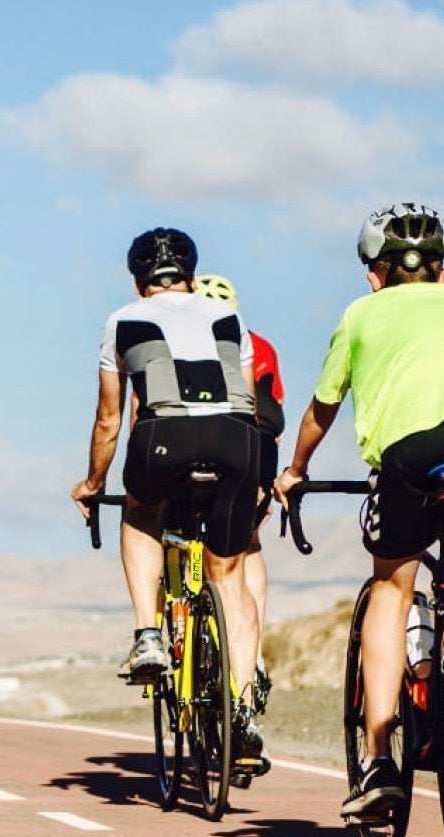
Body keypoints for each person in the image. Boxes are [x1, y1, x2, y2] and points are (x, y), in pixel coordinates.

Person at [276, 203, 444, 823]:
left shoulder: (360, 313)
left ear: (373, 275)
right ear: (443, 271)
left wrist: (295, 470)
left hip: (409, 452)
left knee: (392, 587)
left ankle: (379, 760)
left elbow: (321, 409)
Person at [70, 228, 269, 775]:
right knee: (230, 576)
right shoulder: (229, 318)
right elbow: (248, 399)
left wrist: (92, 482)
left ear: (138, 280)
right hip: (235, 439)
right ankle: (244, 709)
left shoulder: (122, 320)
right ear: (192, 275)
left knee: (141, 513)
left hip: (163, 438)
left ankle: (148, 636)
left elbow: (110, 419)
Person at [195, 272, 286, 709]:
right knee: (247, 544)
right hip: (252, 449)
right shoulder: (258, 344)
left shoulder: (178, 339)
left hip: (188, 450)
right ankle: (257, 651)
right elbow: (272, 418)